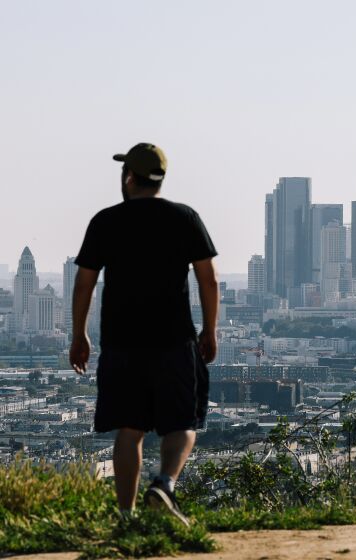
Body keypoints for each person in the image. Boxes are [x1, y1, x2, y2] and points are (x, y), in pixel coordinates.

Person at [69, 143, 219, 525]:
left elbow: (84, 283)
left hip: (122, 343)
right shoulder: (185, 218)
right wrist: (210, 330)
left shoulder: (105, 221)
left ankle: (125, 516)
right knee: (183, 425)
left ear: (129, 177)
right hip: (174, 340)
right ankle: (164, 484)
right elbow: (209, 279)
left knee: (129, 430)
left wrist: (79, 335)